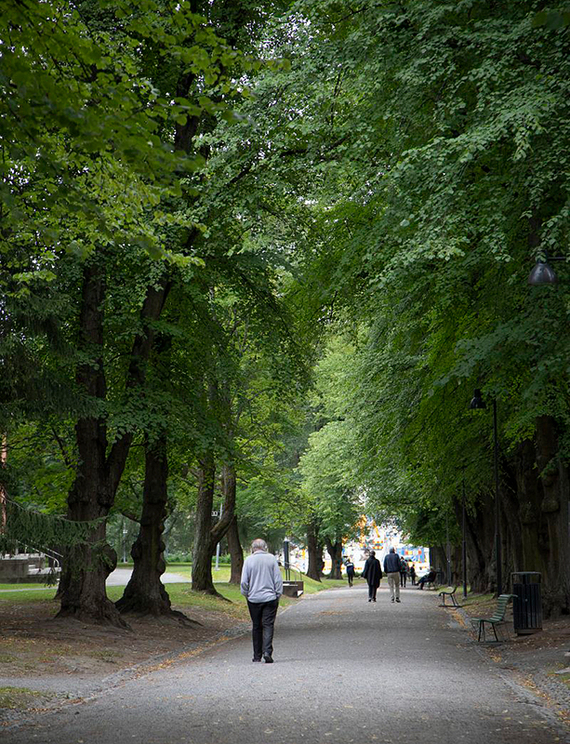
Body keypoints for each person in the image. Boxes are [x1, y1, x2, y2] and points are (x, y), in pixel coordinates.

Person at [240, 538, 283, 663]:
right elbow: (278, 580)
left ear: (253, 548)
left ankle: (256, 655)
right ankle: (267, 651)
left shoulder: (248, 560)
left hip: (253, 598)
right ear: (265, 547)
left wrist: (246, 594)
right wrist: (277, 593)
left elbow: (244, 581)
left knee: (256, 626)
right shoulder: (271, 559)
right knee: (268, 625)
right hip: (270, 597)